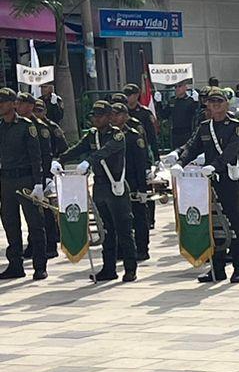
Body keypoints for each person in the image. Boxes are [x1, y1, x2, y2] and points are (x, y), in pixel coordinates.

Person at [172, 88, 239, 283]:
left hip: (228, 181)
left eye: (219, 101)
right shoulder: (205, 127)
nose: (215, 105)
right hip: (207, 183)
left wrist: (214, 166)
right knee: (213, 224)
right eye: (211, 101)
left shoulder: (235, 126)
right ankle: (217, 268)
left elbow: (231, 152)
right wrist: (179, 161)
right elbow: (192, 147)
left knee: (235, 225)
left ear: (226, 104)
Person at [56, 100, 136, 283]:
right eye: (94, 116)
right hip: (100, 186)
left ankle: (130, 268)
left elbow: (105, 152)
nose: (96, 119)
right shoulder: (92, 135)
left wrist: (89, 162)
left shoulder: (117, 136)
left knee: (123, 229)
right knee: (106, 230)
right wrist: (60, 160)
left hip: (115, 186)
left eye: (99, 116)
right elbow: (77, 149)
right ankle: (109, 269)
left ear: (108, 117)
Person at [16, 93, 65, 279]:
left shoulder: (45, 128)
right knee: (30, 216)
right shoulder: (19, 126)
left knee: (44, 214)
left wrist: (48, 173)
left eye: (39, 110)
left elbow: (54, 149)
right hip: (28, 176)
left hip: (44, 175)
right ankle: (32, 247)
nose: (35, 112)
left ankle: (50, 246)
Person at [0, 87, 45, 280]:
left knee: (35, 224)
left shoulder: (27, 126)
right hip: (6, 180)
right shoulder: (1, 127)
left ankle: (40, 266)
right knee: (10, 224)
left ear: (13, 104)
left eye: (3, 102)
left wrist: (39, 183)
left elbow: (36, 157)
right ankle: (15, 265)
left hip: (26, 179)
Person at [110, 100, 152, 264]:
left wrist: (143, 188)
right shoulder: (110, 135)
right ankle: (121, 249)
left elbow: (140, 164)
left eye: (117, 114)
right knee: (119, 218)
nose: (114, 118)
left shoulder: (134, 136)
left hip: (133, 181)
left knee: (139, 216)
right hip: (116, 182)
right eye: (112, 114)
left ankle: (142, 249)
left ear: (126, 116)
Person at [165, 79, 201, 150]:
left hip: (187, 133)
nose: (177, 89)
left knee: (187, 154)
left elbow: (197, 114)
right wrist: (159, 103)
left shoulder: (190, 100)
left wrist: (196, 102)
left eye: (179, 86)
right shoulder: (172, 101)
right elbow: (164, 115)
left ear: (185, 87)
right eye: (176, 87)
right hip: (175, 133)